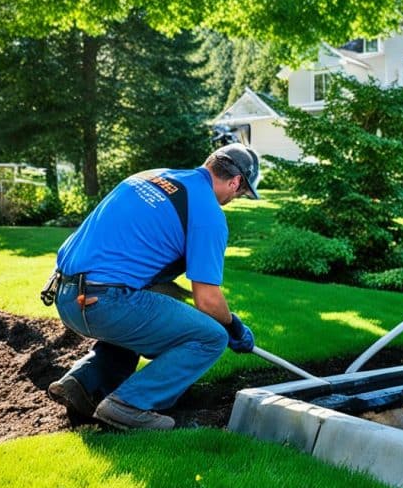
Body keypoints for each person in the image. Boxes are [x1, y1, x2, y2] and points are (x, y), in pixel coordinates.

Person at [44, 143, 262, 430]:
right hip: (104, 303)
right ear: (235, 182)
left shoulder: (151, 177)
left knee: (143, 322)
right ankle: (130, 404)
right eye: (241, 192)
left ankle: (84, 382)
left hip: (66, 295)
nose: (235, 198)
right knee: (210, 338)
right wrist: (232, 326)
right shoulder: (209, 213)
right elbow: (207, 300)